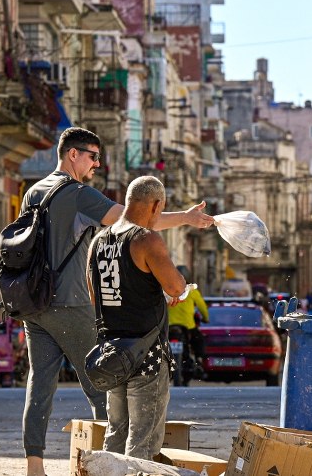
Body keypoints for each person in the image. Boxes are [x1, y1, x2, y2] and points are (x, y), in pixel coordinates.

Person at [20, 127, 213, 476]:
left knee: (39, 384)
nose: (97, 163)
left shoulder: (33, 191)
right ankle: (102, 466)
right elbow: (133, 219)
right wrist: (185, 217)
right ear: (72, 155)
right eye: (93, 156)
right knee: (105, 379)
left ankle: (35, 465)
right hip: (70, 301)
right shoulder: (78, 194)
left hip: (33, 304)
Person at [87, 176, 187, 459]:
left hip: (112, 354)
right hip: (147, 355)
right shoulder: (146, 239)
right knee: (142, 441)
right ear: (156, 205)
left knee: (116, 434)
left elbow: (94, 295)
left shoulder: (98, 241)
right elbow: (176, 287)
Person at [167, 267, 209, 370]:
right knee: (199, 340)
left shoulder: (167, 289)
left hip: (169, 325)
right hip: (188, 326)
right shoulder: (192, 291)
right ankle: (199, 360)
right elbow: (202, 307)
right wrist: (206, 318)